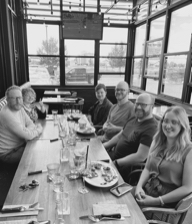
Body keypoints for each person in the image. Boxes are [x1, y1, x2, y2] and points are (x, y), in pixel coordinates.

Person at [134, 106, 192, 223]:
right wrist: (139, 187)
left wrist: (156, 201)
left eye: (174, 122)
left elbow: (188, 188)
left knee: (128, 215)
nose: (167, 125)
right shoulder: (157, 141)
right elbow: (147, 168)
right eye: (165, 121)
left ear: (182, 125)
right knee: (118, 202)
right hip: (147, 191)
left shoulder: (189, 151)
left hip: (166, 207)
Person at [103, 93, 158, 182]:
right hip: (114, 156)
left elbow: (141, 156)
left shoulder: (152, 128)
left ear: (152, 107)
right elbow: (120, 136)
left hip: (128, 168)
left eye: (143, 105)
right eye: (137, 104)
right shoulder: (134, 119)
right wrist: (104, 146)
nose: (139, 107)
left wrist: (117, 163)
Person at [0, 85, 43, 165]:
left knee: (40, 150)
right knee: (36, 155)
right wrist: (39, 130)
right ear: (7, 100)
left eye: (20, 97)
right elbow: (28, 136)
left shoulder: (19, 107)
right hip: (8, 153)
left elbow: (30, 123)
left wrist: (25, 130)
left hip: (20, 145)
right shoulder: (6, 114)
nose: (18, 101)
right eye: (14, 98)